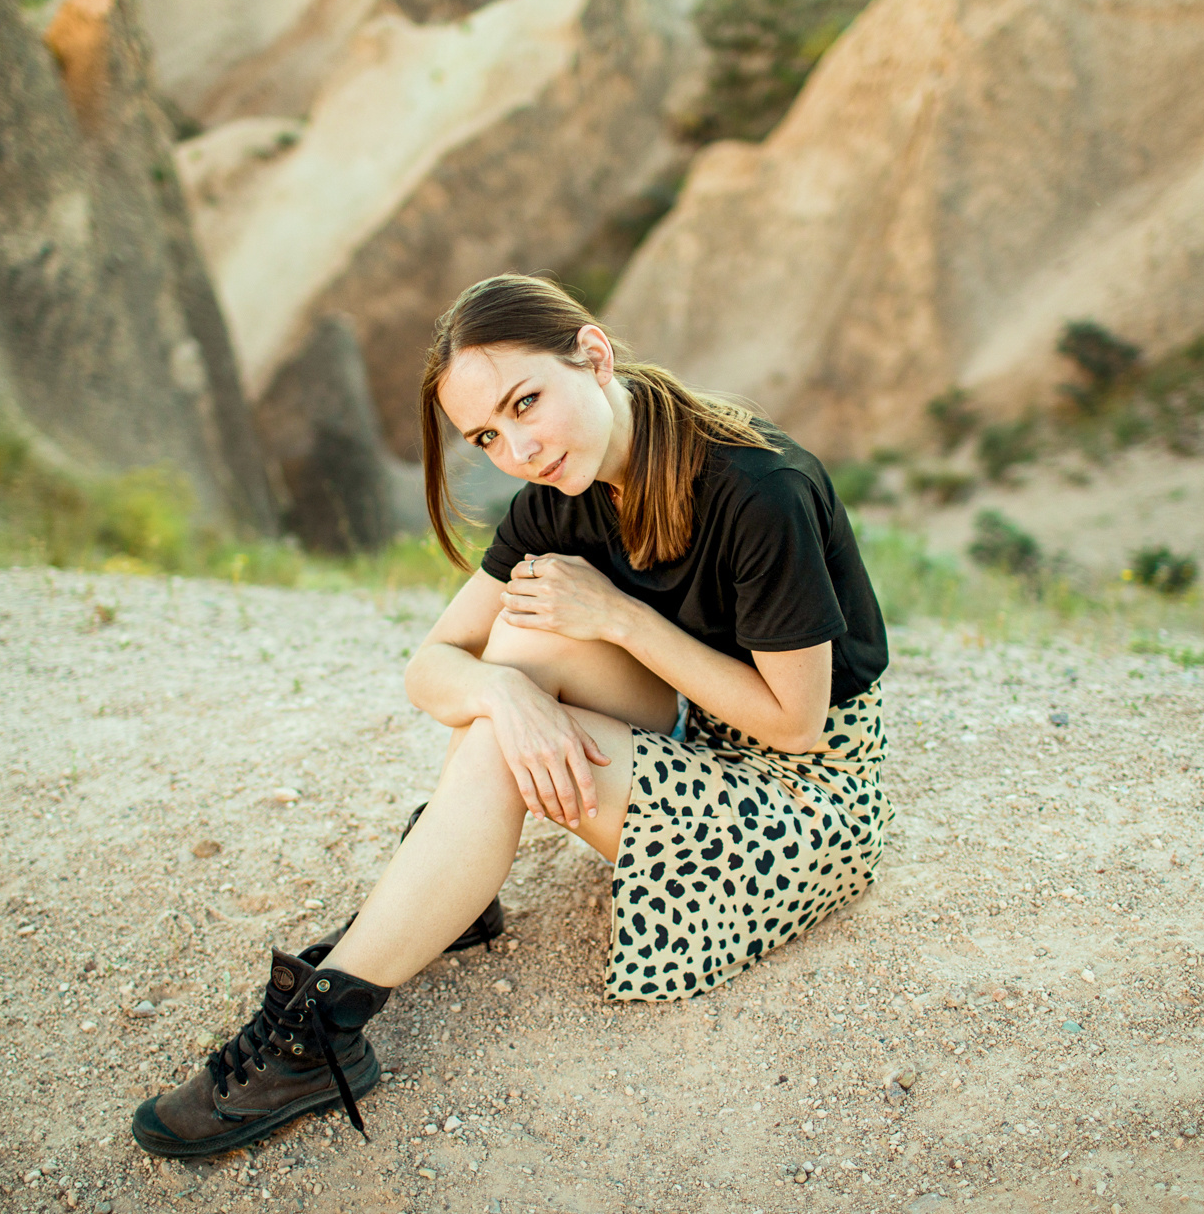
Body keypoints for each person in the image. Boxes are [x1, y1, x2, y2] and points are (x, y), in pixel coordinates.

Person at [132, 273, 889, 1158]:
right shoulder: (559, 498)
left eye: (526, 402)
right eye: (487, 434)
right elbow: (432, 663)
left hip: (806, 798)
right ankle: (437, 899)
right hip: (700, 727)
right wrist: (504, 693)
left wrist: (616, 617)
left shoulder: (761, 489)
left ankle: (322, 1026)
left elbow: (794, 724)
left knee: (520, 693)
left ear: (594, 355)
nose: (520, 448)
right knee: (518, 657)